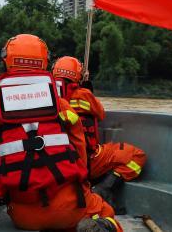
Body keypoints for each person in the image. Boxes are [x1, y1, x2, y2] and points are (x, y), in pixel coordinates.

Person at [0, 34, 121, 232]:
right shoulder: (59, 103)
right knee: (107, 213)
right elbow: (79, 147)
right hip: (69, 208)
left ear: (7, 61)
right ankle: (101, 226)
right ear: (44, 63)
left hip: (23, 216)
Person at [52, 56, 147, 208]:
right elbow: (100, 114)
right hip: (88, 160)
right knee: (137, 156)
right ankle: (103, 189)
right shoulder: (84, 95)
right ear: (78, 75)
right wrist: (86, 87)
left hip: (55, 163)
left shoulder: (47, 97)